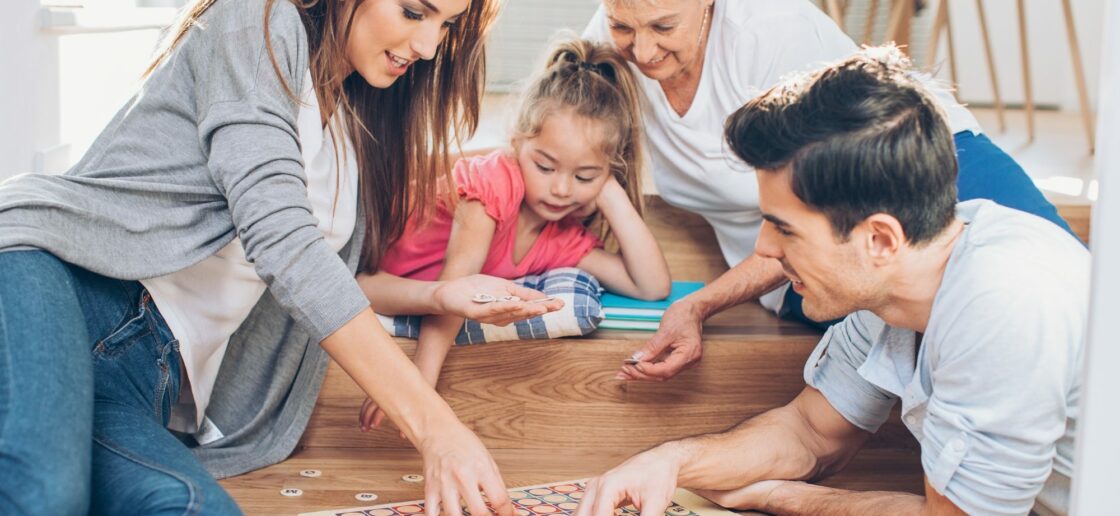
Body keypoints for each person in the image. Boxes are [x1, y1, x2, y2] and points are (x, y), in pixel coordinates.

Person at [0, 0, 563, 514]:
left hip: (145, 373)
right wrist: (436, 428)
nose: (428, 46)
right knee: (44, 492)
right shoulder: (255, 23)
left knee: (198, 509)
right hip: (54, 284)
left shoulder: (348, 128)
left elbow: (329, 281)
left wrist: (437, 294)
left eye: (448, 25)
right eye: (415, 11)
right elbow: (281, 240)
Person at [575, 47, 1087, 516]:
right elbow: (810, 433)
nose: (765, 250)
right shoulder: (893, 286)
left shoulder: (1007, 299)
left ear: (880, 240)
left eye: (785, 228)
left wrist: (781, 496)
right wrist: (669, 462)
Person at [581, 0, 1078, 380]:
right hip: (799, 255)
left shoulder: (771, 28)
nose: (641, 52)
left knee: (1074, 316)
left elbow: (833, 204)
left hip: (932, 165)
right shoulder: (605, 36)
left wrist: (700, 303)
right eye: (623, 27)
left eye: (664, 27)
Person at [358, 38, 672, 430]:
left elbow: (652, 286)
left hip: (416, 294)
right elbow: (458, 283)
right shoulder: (496, 182)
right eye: (545, 166)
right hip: (367, 280)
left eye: (584, 175)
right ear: (517, 144)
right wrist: (418, 385)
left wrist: (611, 192)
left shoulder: (561, 236)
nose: (561, 189)